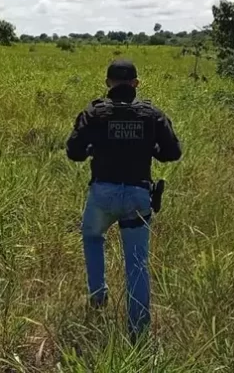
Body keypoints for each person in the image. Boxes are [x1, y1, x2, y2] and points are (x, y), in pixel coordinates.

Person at [66, 59, 182, 339]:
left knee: (93, 237)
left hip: (102, 194)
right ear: (136, 84)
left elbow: (74, 152)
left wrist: (95, 145)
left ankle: (98, 296)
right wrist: (150, 147)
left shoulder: (94, 112)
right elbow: (172, 152)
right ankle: (138, 330)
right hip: (137, 196)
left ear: (108, 84)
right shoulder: (151, 114)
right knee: (137, 263)